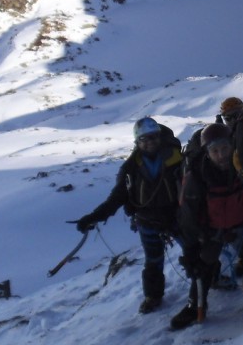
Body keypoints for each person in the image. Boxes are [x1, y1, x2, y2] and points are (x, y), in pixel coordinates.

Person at [170, 123, 243, 330]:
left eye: (225, 149)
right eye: (215, 151)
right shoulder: (196, 177)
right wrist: (192, 249)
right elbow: (188, 215)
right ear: (206, 152)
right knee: (202, 270)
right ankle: (195, 306)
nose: (221, 155)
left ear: (232, 146)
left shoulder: (242, 166)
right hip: (211, 232)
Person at [74, 116, 183, 314]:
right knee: (153, 262)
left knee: (194, 252)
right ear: (137, 142)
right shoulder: (131, 169)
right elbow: (117, 198)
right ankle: (153, 296)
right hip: (148, 221)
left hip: (176, 217)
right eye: (145, 139)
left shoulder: (176, 159)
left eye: (153, 137)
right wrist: (94, 216)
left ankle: (207, 282)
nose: (150, 142)